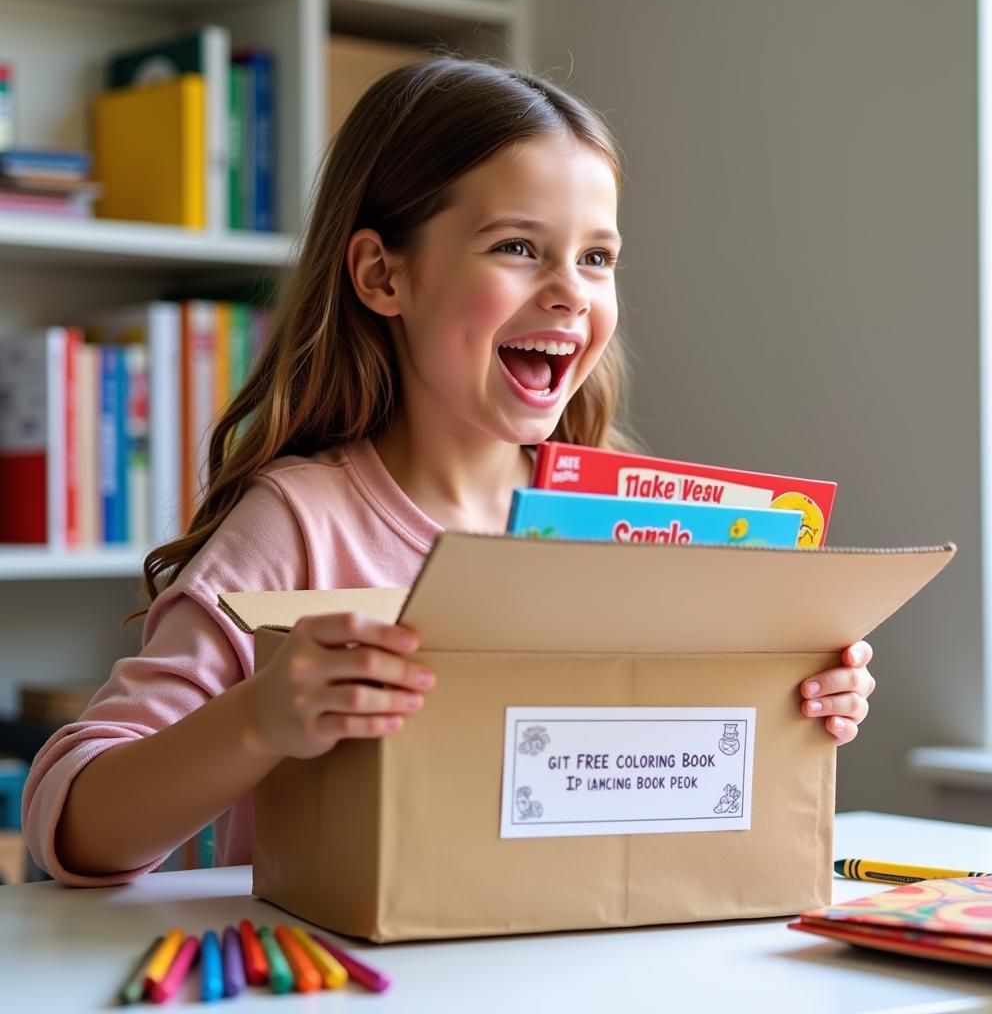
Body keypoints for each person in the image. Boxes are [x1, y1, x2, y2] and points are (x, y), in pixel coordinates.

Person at [23, 56, 876, 885]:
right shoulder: (299, 525)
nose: (571, 292)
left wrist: (785, 706)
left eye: (597, 257)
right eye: (516, 246)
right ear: (382, 274)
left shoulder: (629, 514)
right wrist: (261, 717)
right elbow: (73, 824)